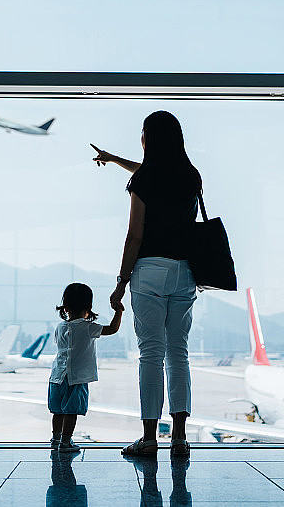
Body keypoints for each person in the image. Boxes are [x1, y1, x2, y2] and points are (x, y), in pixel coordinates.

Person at [91, 110, 202, 458]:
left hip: (149, 270)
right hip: (185, 271)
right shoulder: (191, 176)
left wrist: (121, 282)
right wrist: (114, 159)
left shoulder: (144, 179)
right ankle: (180, 438)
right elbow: (155, 174)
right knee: (178, 353)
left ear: (147, 139)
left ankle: (149, 438)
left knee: (151, 354)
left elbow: (134, 236)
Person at [49, 282, 124, 453]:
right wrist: (118, 311)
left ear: (65, 308)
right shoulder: (88, 327)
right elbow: (112, 329)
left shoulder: (60, 327)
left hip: (57, 376)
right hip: (77, 377)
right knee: (71, 411)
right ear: (89, 307)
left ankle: (56, 439)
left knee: (58, 411)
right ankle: (66, 442)